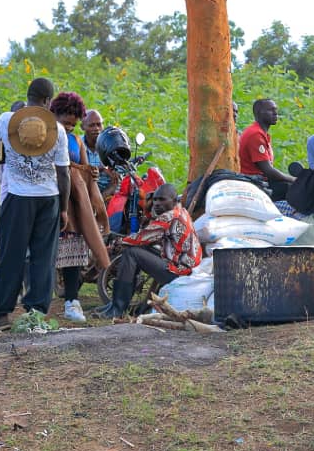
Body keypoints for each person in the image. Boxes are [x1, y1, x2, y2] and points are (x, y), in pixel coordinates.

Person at [0, 78, 70, 333]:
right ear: (48, 101)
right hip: (48, 198)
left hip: (17, 197)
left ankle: (0, 315)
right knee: (43, 258)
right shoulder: (57, 129)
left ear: (29, 95)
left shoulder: (5, 120)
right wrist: (63, 209)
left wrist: (13, 159)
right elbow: (63, 174)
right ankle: (35, 314)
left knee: (11, 256)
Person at [92, 183, 201, 320]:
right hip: (185, 266)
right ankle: (115, 304)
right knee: (137, 250)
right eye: (155, 199)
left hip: (179, 271)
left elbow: (140, 237)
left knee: (131, 253)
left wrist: (117, 243)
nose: (156, 203)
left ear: (174, 201)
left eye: (162, 199)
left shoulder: (169, 217)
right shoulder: (182, 211)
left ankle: (118, 308)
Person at [47, 93, 112, 323]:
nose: (69, 128)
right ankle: (36, 301)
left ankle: (72, 301)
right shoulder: (44, 135)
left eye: (73, 125)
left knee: (72, 252)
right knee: (43, 253)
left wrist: (89, 172)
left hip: (72, 205)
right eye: (66, 123)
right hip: (47, 199)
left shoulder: (76, 141)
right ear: (54, 114)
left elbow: (85, 167)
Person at [238, 98, 295, 199]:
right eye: (271, 110)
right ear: (259, 113)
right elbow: (268, 171)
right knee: (293, 188)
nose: (275, 113)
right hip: (254, 184)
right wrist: (293, 179)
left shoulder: (259, 133)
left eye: (276, 110)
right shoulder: (255, 134)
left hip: (259, 181)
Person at [81, 108, 119, 199]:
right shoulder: (77, 145)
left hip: (109, 189)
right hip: (84, 190)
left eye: (99, 124)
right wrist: (102, 168)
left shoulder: (111, 144)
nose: (96, 129)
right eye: (91, 125)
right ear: (82, 127)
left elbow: (117, 175)